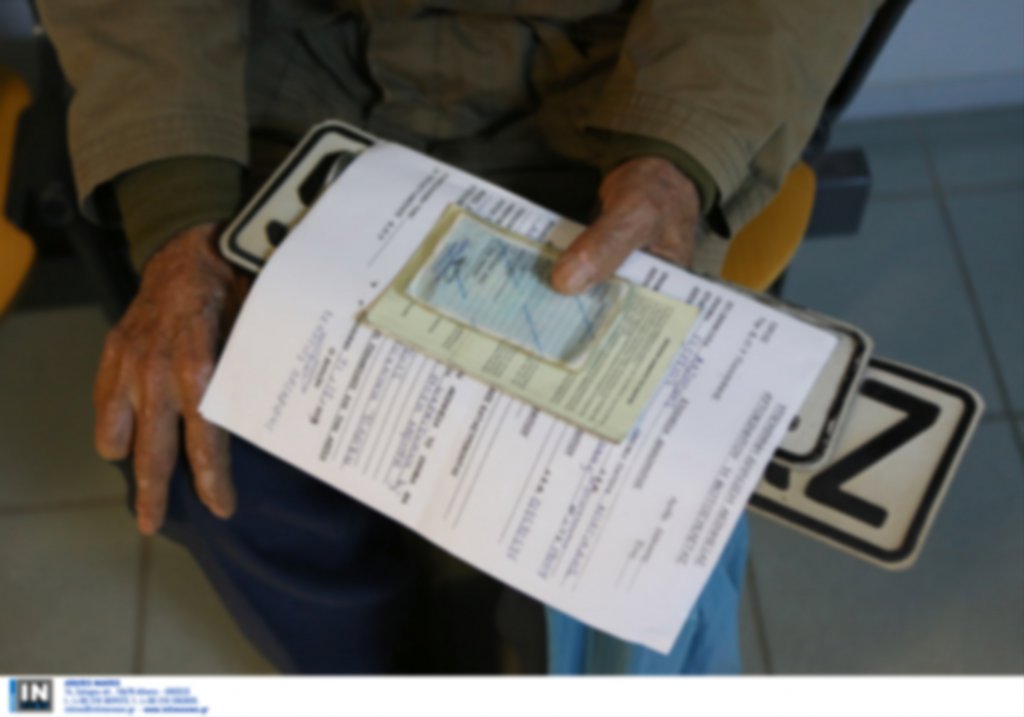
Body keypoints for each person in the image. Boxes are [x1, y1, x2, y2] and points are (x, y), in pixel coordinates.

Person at [37, 0, 881, 674]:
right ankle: (362, 672)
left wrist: (678, 156)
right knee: (212, 427)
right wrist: (178, 204)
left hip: (611, 110)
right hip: (284, 99)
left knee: (600, 516)